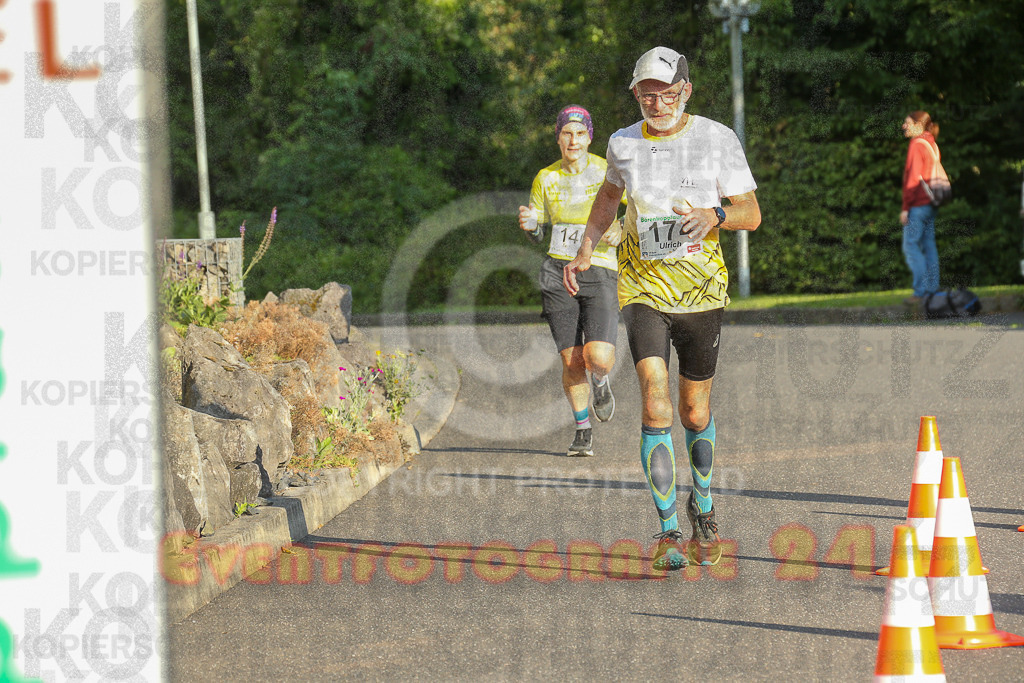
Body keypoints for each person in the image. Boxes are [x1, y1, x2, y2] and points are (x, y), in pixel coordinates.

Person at [563, 47, 760, 569]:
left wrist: (714, 215)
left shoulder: (717, 138)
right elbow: (608, 198)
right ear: (635, 94)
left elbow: (751, 212)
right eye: (647, 95)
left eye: (668, 94)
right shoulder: (623, 143)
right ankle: (669, 531)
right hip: (642, 288)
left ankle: (704, 508)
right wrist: (586, 247)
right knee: (654, 400)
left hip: (701, 291)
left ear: (686, 91)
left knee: (694, 410)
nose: (658, 104)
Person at [518, 105, 624, 457]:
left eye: (580, 134)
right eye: (567, 133)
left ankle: (601, 380)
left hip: (600, 267)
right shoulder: (545, 177)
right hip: (557, 271)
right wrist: (531, 227)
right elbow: (538, 231)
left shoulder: (607, 171)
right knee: (571, 360)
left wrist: (622, 227)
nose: (573, 140)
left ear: (590, 137)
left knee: (598, 357)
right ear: (558, 137)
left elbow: (637, 208)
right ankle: (582, 429)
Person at [901, 111, 942, 304]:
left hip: (918, 204)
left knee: (910, 245)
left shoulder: (917, 144)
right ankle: (932, 290)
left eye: (907, 123)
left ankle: (920, 292)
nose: (904, 126)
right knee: (928, 245)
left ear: (918, 125)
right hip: (932, 203)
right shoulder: (931, 144)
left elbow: (913, 179)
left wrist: (905, 207)